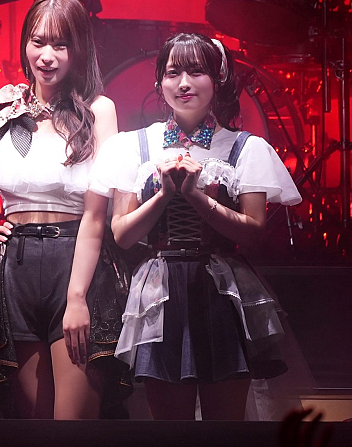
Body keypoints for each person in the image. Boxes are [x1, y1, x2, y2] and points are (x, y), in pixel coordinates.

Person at [91, 32, 302, 420]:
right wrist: (164, 194)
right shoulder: (134, 146)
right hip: (158, 293)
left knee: (225, 428)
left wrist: (196, 196)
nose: (184, 83)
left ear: (217, 79)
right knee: (169, 429)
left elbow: (253, 232)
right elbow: (122, 234)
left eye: (196, 72)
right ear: (159, 82)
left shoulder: (244, 147)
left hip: (222, 290)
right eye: (173, 73)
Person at [0, 0, 130, 419]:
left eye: (60, 44)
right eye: (37, 42)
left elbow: (97, 213)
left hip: (74, 263)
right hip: (14, 266)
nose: (47, 56)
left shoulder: (99, 110)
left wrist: (77, 297)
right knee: (33, 427)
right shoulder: (2, 109)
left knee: (70, 427)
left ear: (80, 48)